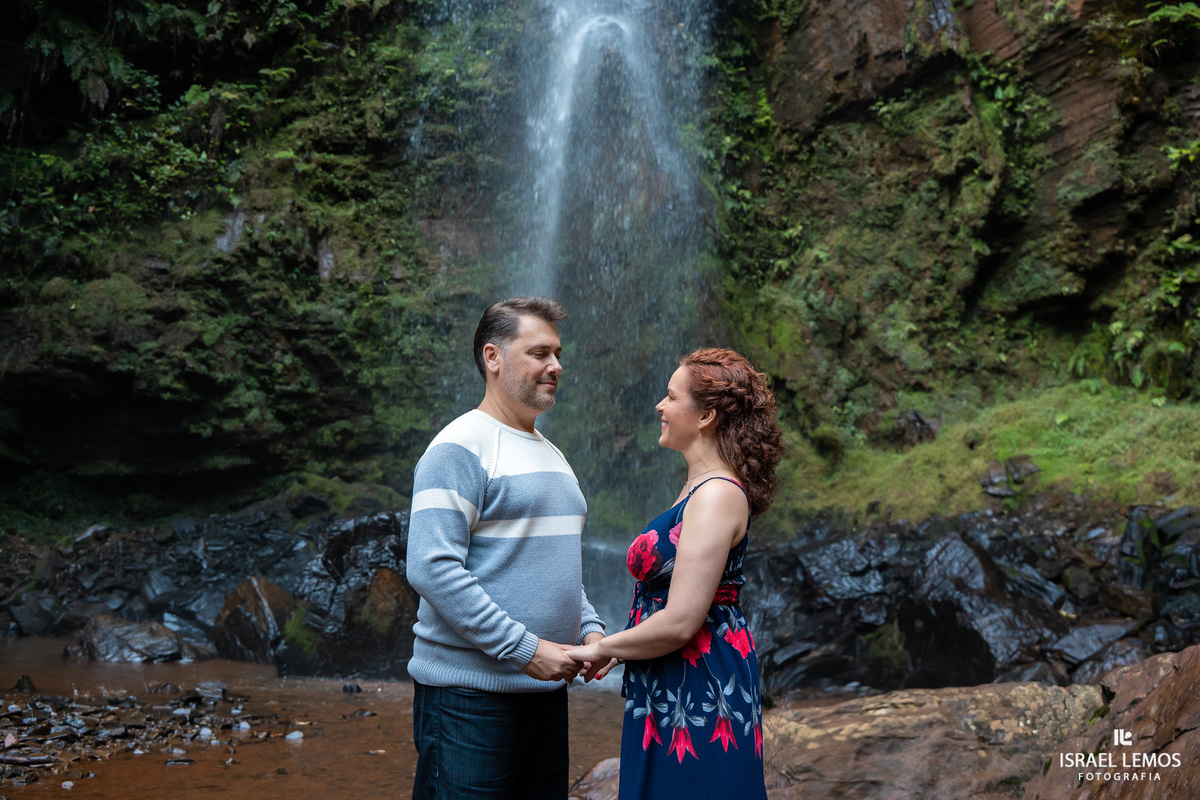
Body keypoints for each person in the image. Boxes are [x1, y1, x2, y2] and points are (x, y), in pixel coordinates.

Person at [405, 296, 607, 800]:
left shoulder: (551, 454)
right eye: (539, 353)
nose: (555, 366)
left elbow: (551, 561)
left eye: (558, 354)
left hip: (544, 693)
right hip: (467, 700)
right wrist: (524, 649)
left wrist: (588, 625)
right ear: (493, 357)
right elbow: (431, 568)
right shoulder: (459, 446)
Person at [567, 347, 783, 800]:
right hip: (672, 675)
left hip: (700, 683)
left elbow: (683, 619)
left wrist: (603, 649)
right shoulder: (696, 488)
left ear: (705, 416)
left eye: (670, 397)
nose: (660, 407)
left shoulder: (717, 494)